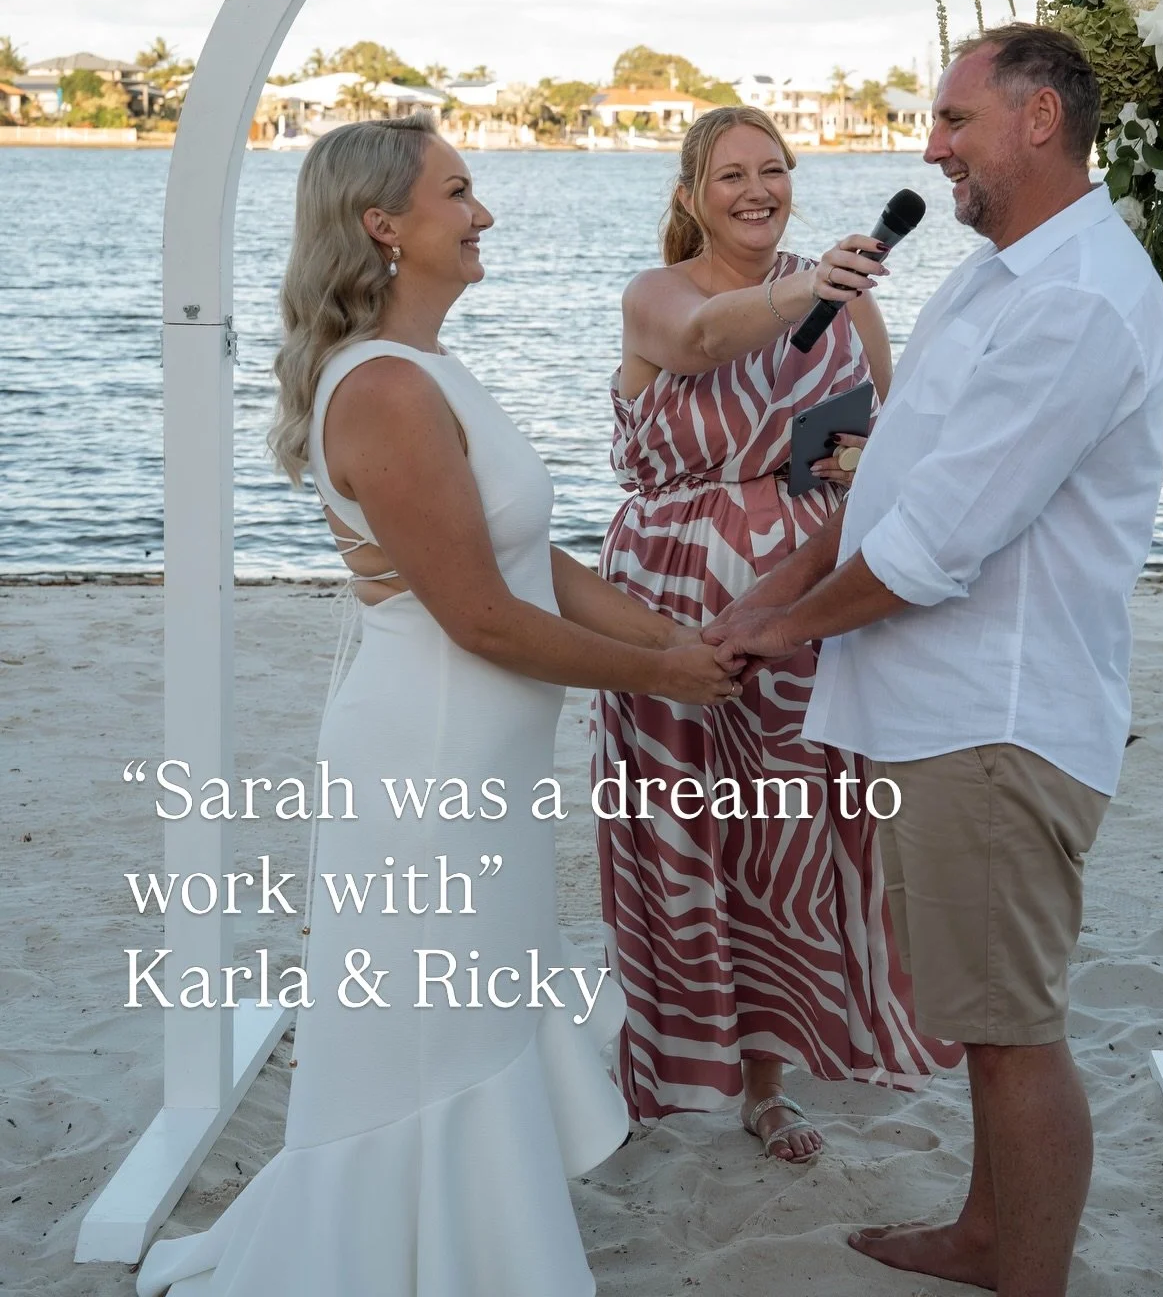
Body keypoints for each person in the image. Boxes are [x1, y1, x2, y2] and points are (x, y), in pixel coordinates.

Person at [136, 112, 740, 1297]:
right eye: (459, 193)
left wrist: (668, 633)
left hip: (482, 765)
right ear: (384, 227)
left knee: (471, 1010)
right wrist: (660, 676)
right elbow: (485, 619)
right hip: (429, 766)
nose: (485, 215)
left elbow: (536, 564)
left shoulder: (432, 372)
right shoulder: (383, 394)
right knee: (427, 1026)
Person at [708, 25, 1163, 1293]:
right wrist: (786, 579)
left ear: (1039, 121)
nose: (932, 147)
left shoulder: (1079, 298)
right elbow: (900, 471)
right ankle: (986, 1233)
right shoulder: (999, 274)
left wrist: (774, 628)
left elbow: (938, 544)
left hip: (996, 720)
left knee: (1014, 1032)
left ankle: (1026, 1271)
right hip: (941, 713)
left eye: (955, 120)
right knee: (981, 1021)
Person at [593, 104, 960, 1166]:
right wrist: (812, 287)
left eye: (774, 170)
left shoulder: (851, 306)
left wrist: (849, 474)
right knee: (674, 831)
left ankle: (764, 1080)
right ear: (688, 195)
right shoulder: (657, 298)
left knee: (783, 840)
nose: (758, 191)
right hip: (663, 596)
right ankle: (661, 1057)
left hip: (802, 605)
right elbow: (707, 342)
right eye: (730, 176)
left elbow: (883, 451)